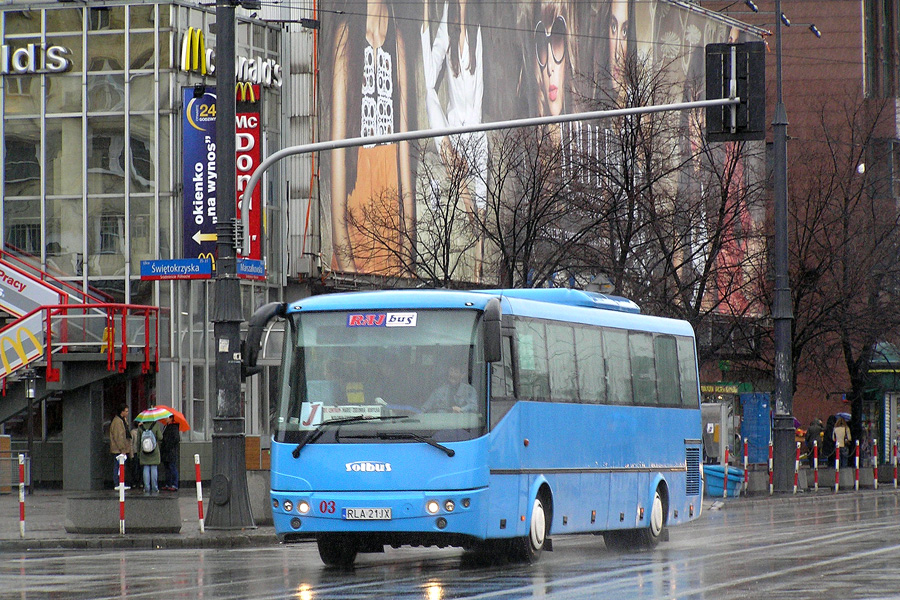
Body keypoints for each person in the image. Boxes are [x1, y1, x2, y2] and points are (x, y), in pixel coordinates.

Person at [329, 0, 414, 274]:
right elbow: (337, 147)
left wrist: (408, 252)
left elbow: (404, 149)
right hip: (356, 193)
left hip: (389, 194)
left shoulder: (397, 38)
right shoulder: (347, 35)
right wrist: (344, 256)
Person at [138, 418, 164, 495]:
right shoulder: (155, 425)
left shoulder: (140, 427)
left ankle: (146, 488)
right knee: (154, 468)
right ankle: (155, 488)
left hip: (143, 451)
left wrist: (139, 453)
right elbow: (160, 437)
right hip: (154, 451)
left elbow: (138, 441)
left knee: (145, 468)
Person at [108, 404, 132, 489]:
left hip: (120, 448)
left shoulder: (122, 420)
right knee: (118, 466)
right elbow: (119, 436)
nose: (127, 413)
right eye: (126, 411)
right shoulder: (118, 422)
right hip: (118, 449)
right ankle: (117, 483)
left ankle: (120, 482)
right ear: (122, 412)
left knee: (120, 466)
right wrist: (122, 448)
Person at [160, 416, 181, 491]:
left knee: (172, 467)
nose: (166, 419)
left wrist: (168, 445)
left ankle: (174, 484)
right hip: (166, 451)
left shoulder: (174, 427)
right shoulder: (166, 427)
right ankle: (168, 484)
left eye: (167, 417)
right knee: (167, 468)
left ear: (171, 418)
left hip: (170, 451)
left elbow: (176, 439)